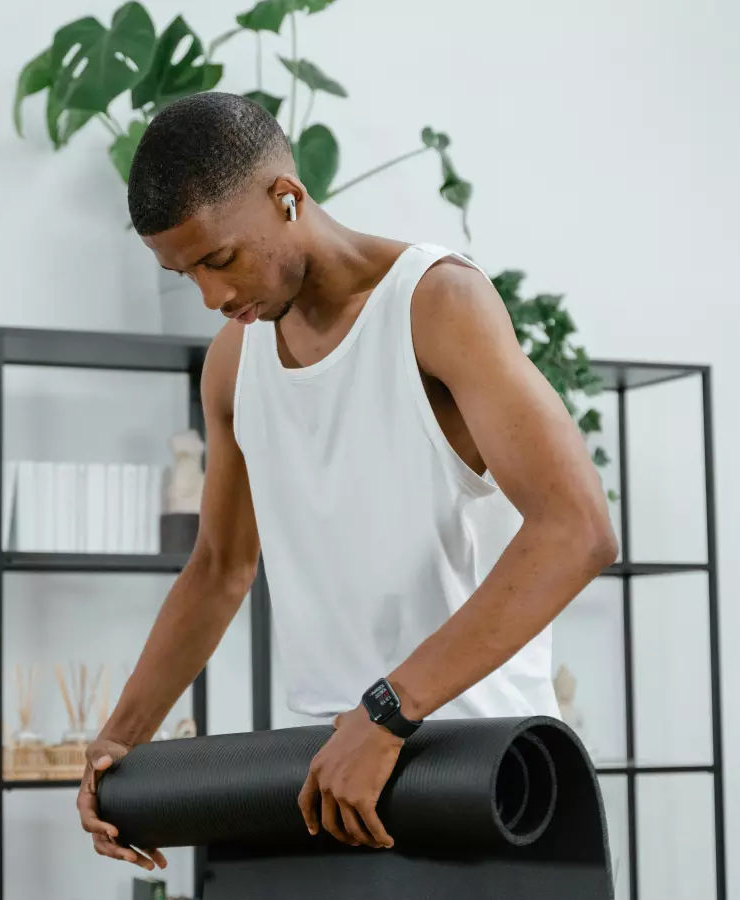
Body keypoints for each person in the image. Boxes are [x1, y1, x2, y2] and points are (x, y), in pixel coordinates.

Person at [76, 91, 618, 871]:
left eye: (220, 258)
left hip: (479, 771)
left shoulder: (438, 306)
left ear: (287, 198)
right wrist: (119, 742)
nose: (213, 298)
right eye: (184, 272)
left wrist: (388, 712)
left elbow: (577, 528)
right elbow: (220, 570)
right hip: (332, 779)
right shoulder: (234, 362)